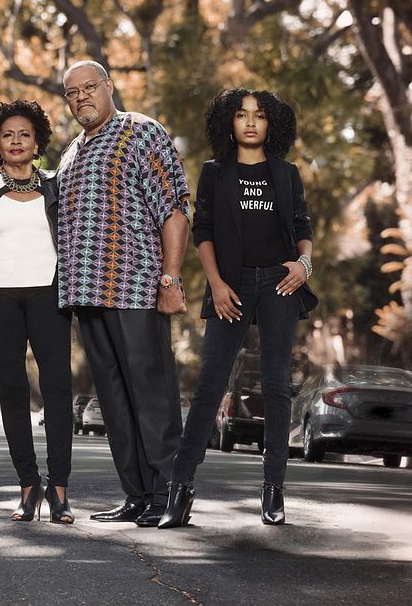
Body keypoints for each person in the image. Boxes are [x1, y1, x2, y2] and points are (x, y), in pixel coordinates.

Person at [159, 88, 316, 528]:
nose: (251, 122)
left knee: (276, 384)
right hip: (231, 284)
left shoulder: (287, 174)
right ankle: (180, 489)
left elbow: (303, 229)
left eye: (260, 115)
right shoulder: (214, 172)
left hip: (280, 284)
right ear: (228, 122)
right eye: (242, 115)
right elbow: (203, 229)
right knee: (209, 386)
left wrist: (304, 265)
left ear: (272, 124)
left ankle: (273, 490)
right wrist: (217, 283)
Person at [56, 60, 190, 527]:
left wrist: (170, 280)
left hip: (135, 289)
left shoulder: (141, 132)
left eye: (89, 87)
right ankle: (137, 494)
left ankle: (171, 493)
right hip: (85, 295)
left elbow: (174, 209)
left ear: (109, 87)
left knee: (151, 394)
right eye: (72, 93)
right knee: (113, 401)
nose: (81, 98)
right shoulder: (70, 152)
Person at [0, 100, 75, 524]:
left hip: (49, 293)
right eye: (8, 135)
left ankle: (61, 491)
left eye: (25, 135)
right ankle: (28, 487)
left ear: (37, 144)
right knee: (12, 390)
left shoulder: (56, 185)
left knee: (58, 389)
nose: (16, 141)